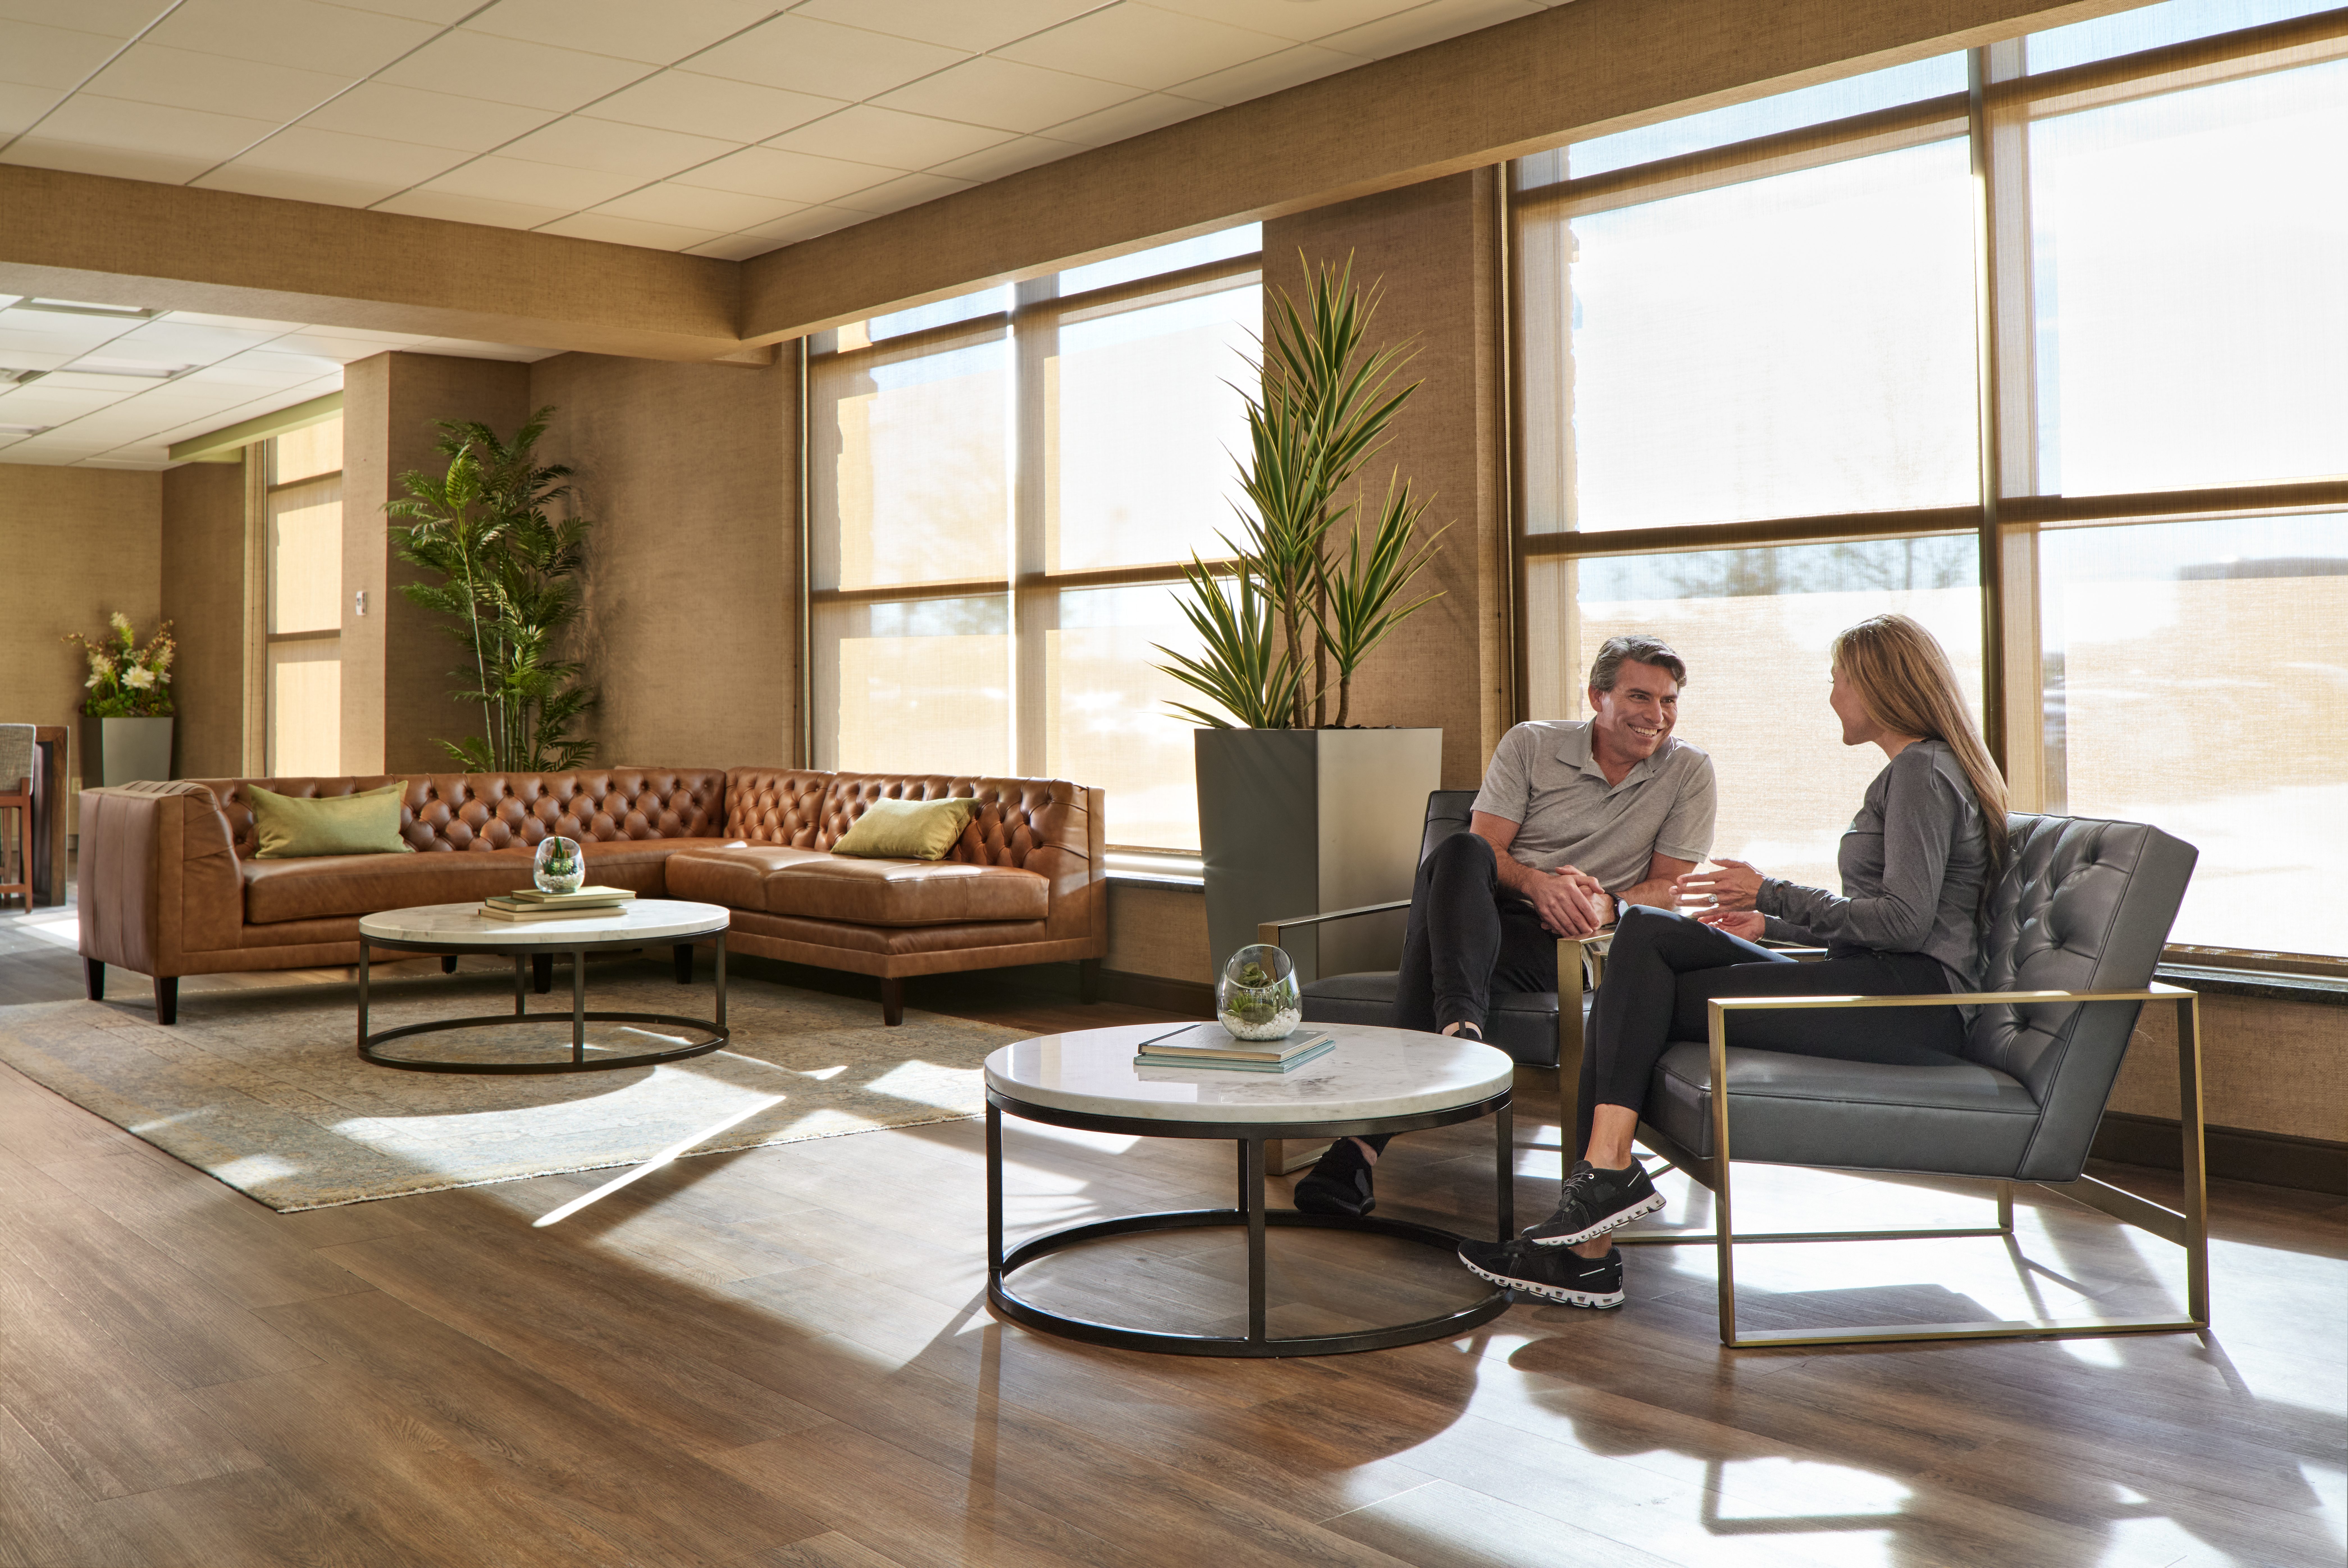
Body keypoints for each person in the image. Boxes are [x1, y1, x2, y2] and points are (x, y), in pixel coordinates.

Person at [1457, 613, 2007, 1309]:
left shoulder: (1924, 771)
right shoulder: (1915, 770)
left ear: (1878, 685)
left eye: (1839, 680)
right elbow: (1889, 921)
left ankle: (1592, 1226)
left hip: (1910, 1004)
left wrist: (1773, 890)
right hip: (1873, 976)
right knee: (1648, 933)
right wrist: (1768, 922)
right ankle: (1599, 1196)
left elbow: (1904, 924)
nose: (1833, 695)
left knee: (1637, 994)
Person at [1294, 634, 1717, 1218]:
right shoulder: (1531, 743)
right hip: (1488, 913)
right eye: (1640, 697)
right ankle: (1460, 1034)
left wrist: (1607, 907)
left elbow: (1671, 889)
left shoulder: (1688, 770)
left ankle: (1365, 1143)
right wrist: (1539, 884)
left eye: (1669, 702)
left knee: (1448, 937)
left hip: (1579, 942)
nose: (1657, 717)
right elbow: (1488, 851)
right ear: (1598, 697)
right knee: (1460, 852)